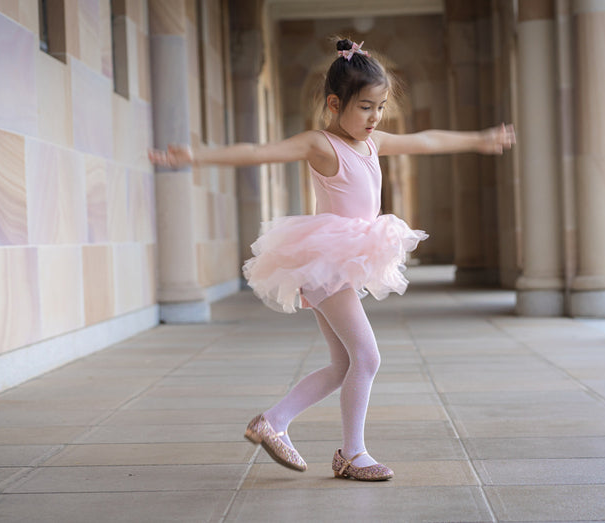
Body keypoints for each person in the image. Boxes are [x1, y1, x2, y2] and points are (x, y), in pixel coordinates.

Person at [149, 38, 515, 481]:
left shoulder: (373, 143)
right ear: (334, 103)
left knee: (345, 363)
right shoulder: (321, 144)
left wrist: (478, 139)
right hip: (325, 259)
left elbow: (425, 139)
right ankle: (351, 453)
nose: (374, 117)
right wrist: (195, 155)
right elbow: (257, 152)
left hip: (341, 261)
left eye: (380, 107)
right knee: (368, 357)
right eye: (365, 107)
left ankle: (276, 421)